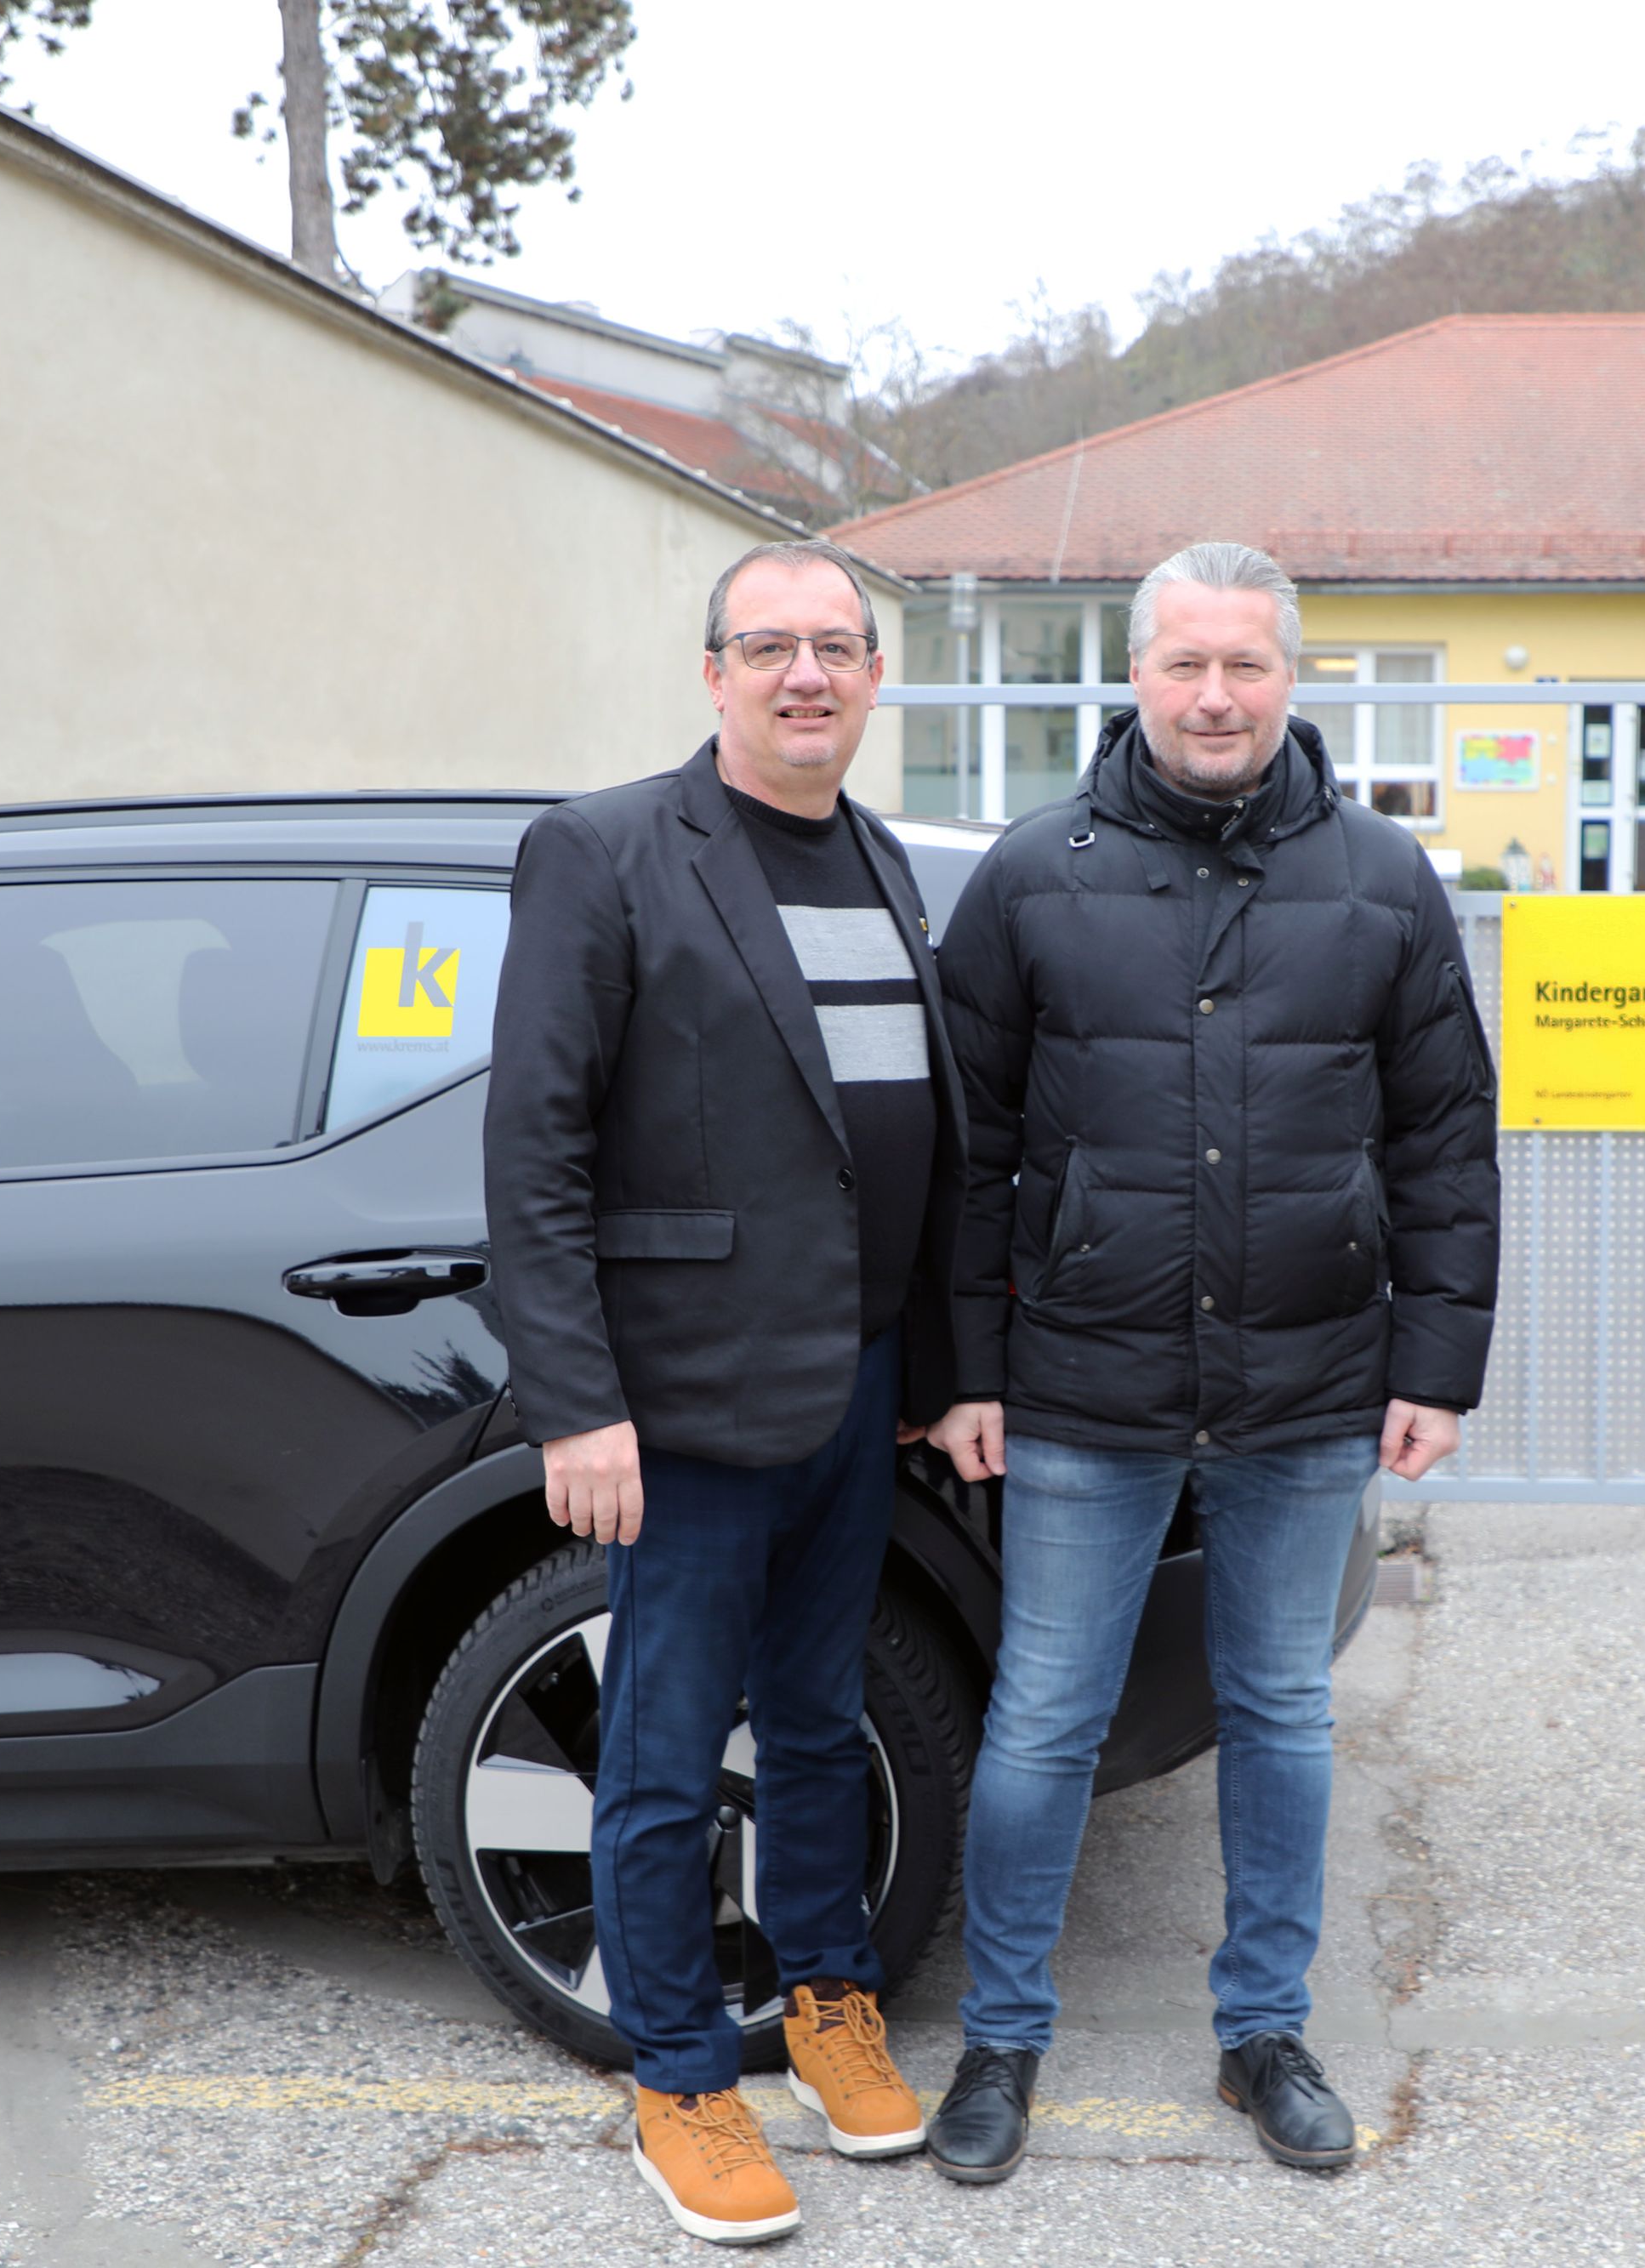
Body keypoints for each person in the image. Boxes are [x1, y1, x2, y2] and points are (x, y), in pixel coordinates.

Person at [918, 541, 1499, 2183]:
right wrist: (969, 1368)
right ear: (1139, 675)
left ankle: (1265, 2033)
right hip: (1084, 1386)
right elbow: (971, 1154)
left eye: (1245, 665)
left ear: (1290, 679)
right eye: (1186, 665)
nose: (1217, 695)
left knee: (1280, 1718)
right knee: (1042, 1720)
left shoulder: (1383, 879)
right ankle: (1005, 2040)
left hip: (1310, 1386)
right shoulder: (1036, 874)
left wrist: (1437, 1362)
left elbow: (1448, 1135)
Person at [484, 537, 963, 2247]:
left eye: (837, 645)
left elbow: (905, 1149)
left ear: (871, 677)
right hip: (675, 1405)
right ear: (713, 673)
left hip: (852, 1385)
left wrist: (940, 1370)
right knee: (666, 1751)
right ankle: (680, 2071)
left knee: (822, 1716)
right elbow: (532, 1144)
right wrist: (574, 1401)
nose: (806, 673)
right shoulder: (605, 851)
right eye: (769, 644)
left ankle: (828, 1992)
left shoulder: (888, 865)